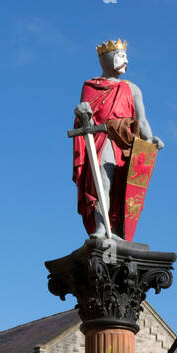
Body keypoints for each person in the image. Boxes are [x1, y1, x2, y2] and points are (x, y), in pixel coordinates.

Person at [73, 39, 163, 239]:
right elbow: (84, 115)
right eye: (122, 56)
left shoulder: (132, 89)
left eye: (126, 56)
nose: (126, 61)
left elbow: (142, 121)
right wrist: (81, 111)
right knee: (102, 181)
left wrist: (151, 140)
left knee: (123, 189)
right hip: (103, 137)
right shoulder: (91, 86)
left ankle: (118, 229)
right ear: (108, 59)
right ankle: (102, 226)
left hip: (126, 143)